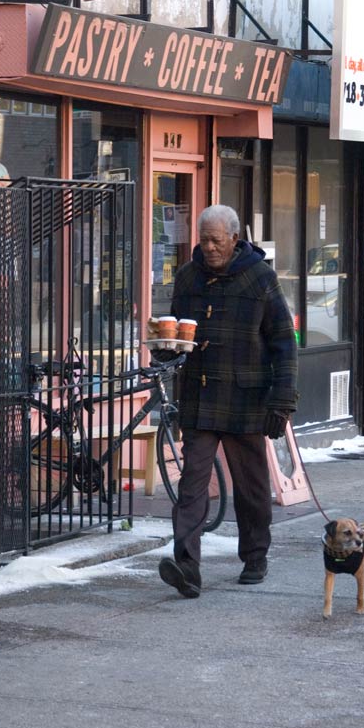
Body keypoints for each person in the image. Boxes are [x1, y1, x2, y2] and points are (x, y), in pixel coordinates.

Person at [158, 204, 298, 598]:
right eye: (203, 240)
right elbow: (176, 337)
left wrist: (282, 400)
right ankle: (187, 566)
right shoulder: (187, 277)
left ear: (234, 239)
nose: (209, 248)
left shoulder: (260, 278)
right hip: (201, 398)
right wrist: (167, 352)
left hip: (246, 398)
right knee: (191, 486)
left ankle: (255, 556)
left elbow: (284, 343)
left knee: (252, 487)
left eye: (216, 241)